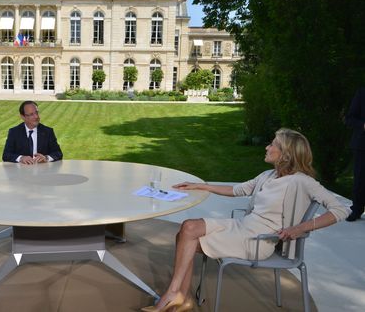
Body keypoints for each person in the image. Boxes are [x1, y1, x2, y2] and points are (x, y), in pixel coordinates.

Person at [141, 128, 348, 312]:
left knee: (187, 237)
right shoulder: (269, 175)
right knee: (188, 229)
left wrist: (300, 228)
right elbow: (237, 190)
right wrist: (201, 186)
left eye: (272, 144)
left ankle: (174, 295)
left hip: (259, 240)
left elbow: (340, 210)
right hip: (243, 227)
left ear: (286, 154)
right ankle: (180, 297)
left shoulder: (302, 182)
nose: (267, 147)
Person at [345, 87, 365, 221]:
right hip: (362, 145)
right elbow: (349, 118)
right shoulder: (362, 93)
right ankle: (357, 210)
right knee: (360, 179)